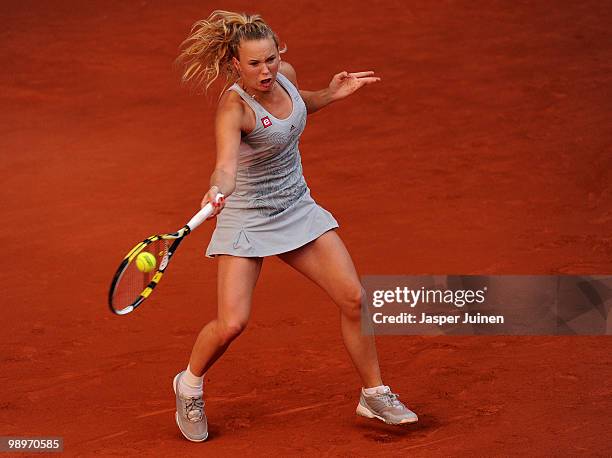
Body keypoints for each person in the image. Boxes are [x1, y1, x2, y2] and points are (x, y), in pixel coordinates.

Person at [173, 10, 418, 442]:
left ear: (279, 52)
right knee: (232, 323)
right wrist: (216, 189)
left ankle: (374, 393)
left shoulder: (284, 76)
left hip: (296, 208)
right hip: (247, 217)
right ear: (235, 63)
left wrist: (331, 93)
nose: (265, 71)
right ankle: (189, 384)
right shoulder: (233, 109)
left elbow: (299, 106)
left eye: (270, 59)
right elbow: (225, 168)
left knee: (354, 297)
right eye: (254, 64)